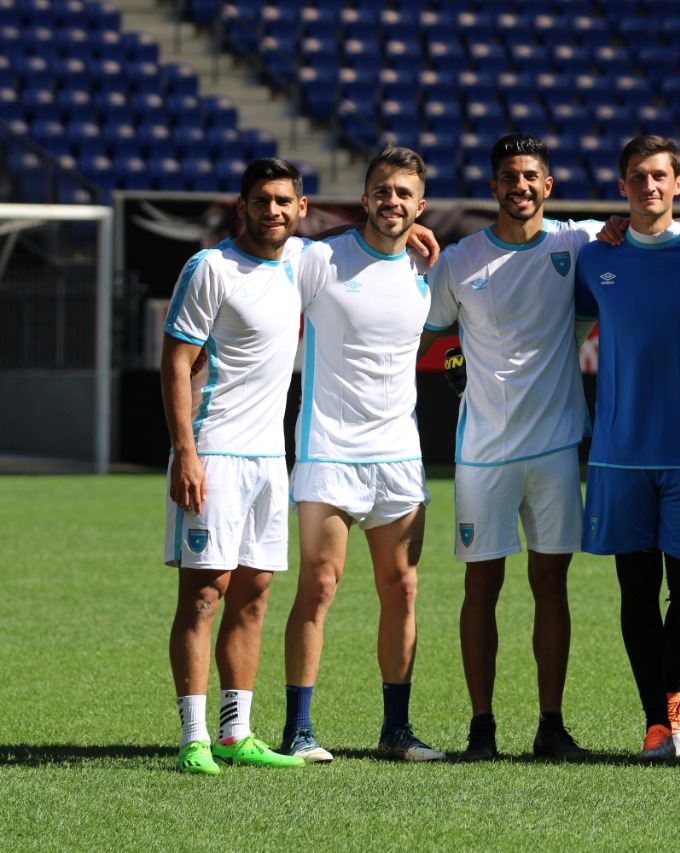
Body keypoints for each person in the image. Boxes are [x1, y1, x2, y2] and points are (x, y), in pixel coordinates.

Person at [420, 133, 601, 761]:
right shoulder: (459, 259)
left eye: (531, 176)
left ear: (547, 186)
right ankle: (482, 730)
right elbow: (433, 331)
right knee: (481, 589)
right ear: (493, 187)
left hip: (554, 449)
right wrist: (454, 361)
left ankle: (551, 726)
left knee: (552, 585)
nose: (519, 186)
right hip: (483, 454)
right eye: (508, 177)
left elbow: (646, 226)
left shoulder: (575, 243)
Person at [574, 135, 680, 759]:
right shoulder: (596, 257)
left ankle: (671, 693)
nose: (649, 186)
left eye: (660, 176)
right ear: (622, 188)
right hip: (618, 453)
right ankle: (657, 723)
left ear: (678, 184)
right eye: (637, 177)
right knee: (636, 593)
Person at [280, 145, 443, 763]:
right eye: (382, 190)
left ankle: (396, 731)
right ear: (364, 197)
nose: (392, 201)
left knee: (401, 589)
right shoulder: (319, 258)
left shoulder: (428, 271)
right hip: (327, 451)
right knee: (319, 586)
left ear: (419, 204)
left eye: (404, 193)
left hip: (399, 456)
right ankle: (299, 730)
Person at [162, 157, 309, 774]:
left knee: (254, 595)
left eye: (283, 200)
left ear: (301, 209)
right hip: (214, 453)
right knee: (204, 596)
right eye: (260, 200)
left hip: (269, 461)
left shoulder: (302, 264)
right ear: (241, 205)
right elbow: (174, 363)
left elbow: (369, 247)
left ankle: (235, 733)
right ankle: (194, 739)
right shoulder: (210, 268)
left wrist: (410, 232)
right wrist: (185, 453)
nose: (271, 210)